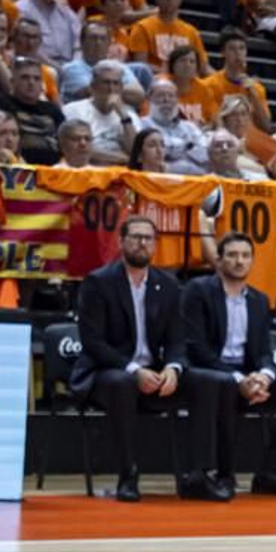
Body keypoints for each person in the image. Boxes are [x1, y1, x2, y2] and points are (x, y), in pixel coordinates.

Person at [70, 215, 223, 502]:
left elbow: (177, 340)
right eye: (135, 237)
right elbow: (93, 342)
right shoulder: (98, 282)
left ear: (155, 244)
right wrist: (132, 370)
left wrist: (174, 368)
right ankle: (128, 475)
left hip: (153, 373)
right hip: (105, 373)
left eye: (148, 238)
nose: (142, 243)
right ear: (121, 241)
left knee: (208, 381)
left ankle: (198, 475)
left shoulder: (168, 284)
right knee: (122, 383)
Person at [181, 232, 276, 499]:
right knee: (225, 386)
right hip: (207, 373)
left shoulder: (259, 300)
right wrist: (239, 379)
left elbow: (264, 352)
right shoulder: (198, 291)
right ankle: (224, 475)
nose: (239, 261)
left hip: (246, 376)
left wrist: (263, 377)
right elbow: (197, 349)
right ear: (218, 261)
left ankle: (270, 472)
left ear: (252, 261)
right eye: (232, 255)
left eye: (245, 256)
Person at [0, 57, 64, 165]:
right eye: (25, 77)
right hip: (14, 168)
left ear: (42, 85)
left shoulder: (52, 109)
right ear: (12, 82)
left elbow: (66, 141)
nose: (31, 82)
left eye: (37, 79)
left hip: (54, 170)